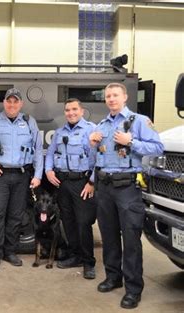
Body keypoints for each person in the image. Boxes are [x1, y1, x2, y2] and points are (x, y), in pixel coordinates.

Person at [89, 83, 163, 309]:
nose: (111, 99)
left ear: (125, 97)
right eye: (108, 96)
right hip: (105, 187)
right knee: (109, 235)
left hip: (127, 189)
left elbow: (158, 147)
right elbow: (99, 157)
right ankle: (113, 277)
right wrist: (91, 143)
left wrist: (130, 141)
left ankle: (133, 289)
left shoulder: (139, 121)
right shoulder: (102, 125)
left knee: (130, 239)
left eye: (115, 95)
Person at [0, 88, 43, 270]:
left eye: (16, 101)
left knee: (16, 215)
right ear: (4, 103)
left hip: (22, 175)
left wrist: (38, 175)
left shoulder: (29, 121)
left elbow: (38, 149)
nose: (12, 104)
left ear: (21, 104)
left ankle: (10, 252)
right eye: (9, 101)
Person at [45, 98, 97, 279]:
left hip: (82, 183)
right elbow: (51, 153)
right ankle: (75, 255)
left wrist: (92, 182)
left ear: (82, 111)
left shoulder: (91, 130)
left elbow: (100, 157)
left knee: (83, 223)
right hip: (63, 182)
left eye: (74, 109)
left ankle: (89, 262)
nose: (71, 113)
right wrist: (48, 170)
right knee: (68, 222)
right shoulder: (60, 132)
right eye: (67, 110)